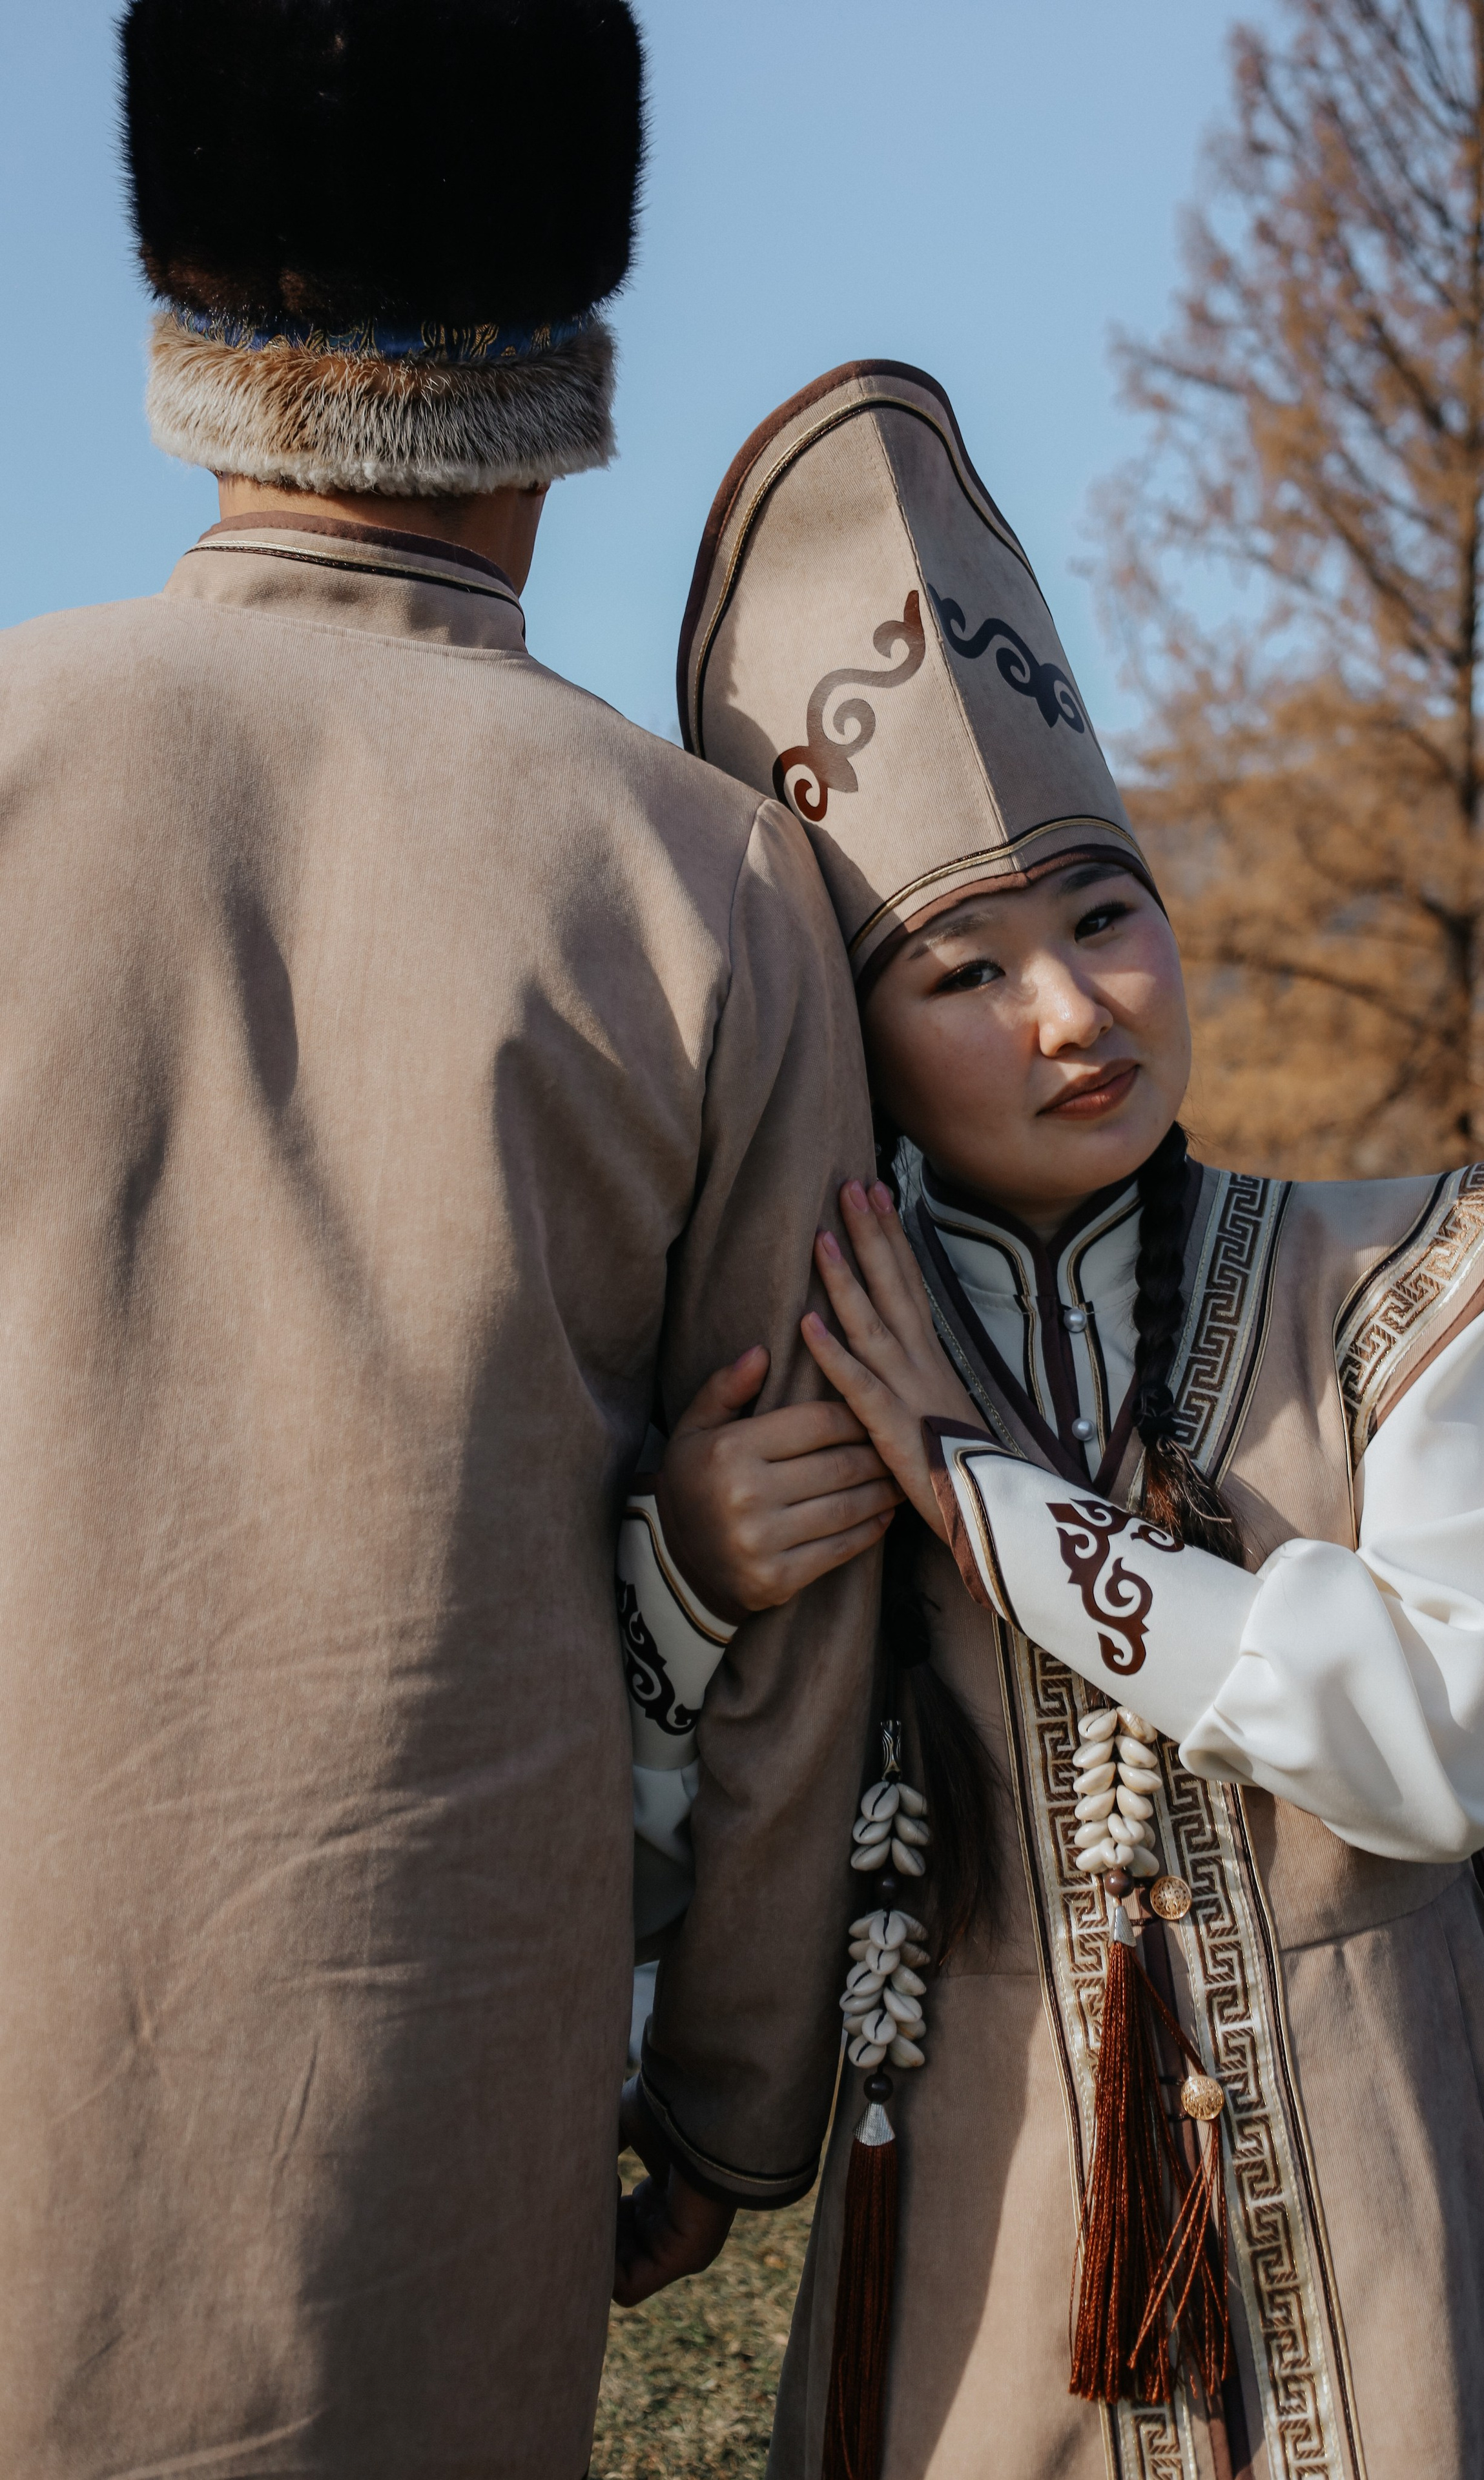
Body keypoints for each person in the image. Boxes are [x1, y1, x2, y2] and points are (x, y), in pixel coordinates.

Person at [624, 362, 1484, 2479]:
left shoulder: (1413, 1277)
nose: (1077, 1011)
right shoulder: (820, 1347)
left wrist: (994, 1511)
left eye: (1104, 916)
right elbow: (685, 1811)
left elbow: (1447, 1741)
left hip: (1406, 2194)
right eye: (968, 971)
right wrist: (686, 1576)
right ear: (864, 1040)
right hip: (992, 2243)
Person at [0, 12, 880, 2474]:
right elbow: (797, 1568)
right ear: (560, 393)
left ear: (178, 317)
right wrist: (729, 2094)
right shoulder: (702, 877)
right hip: (427, 2083)